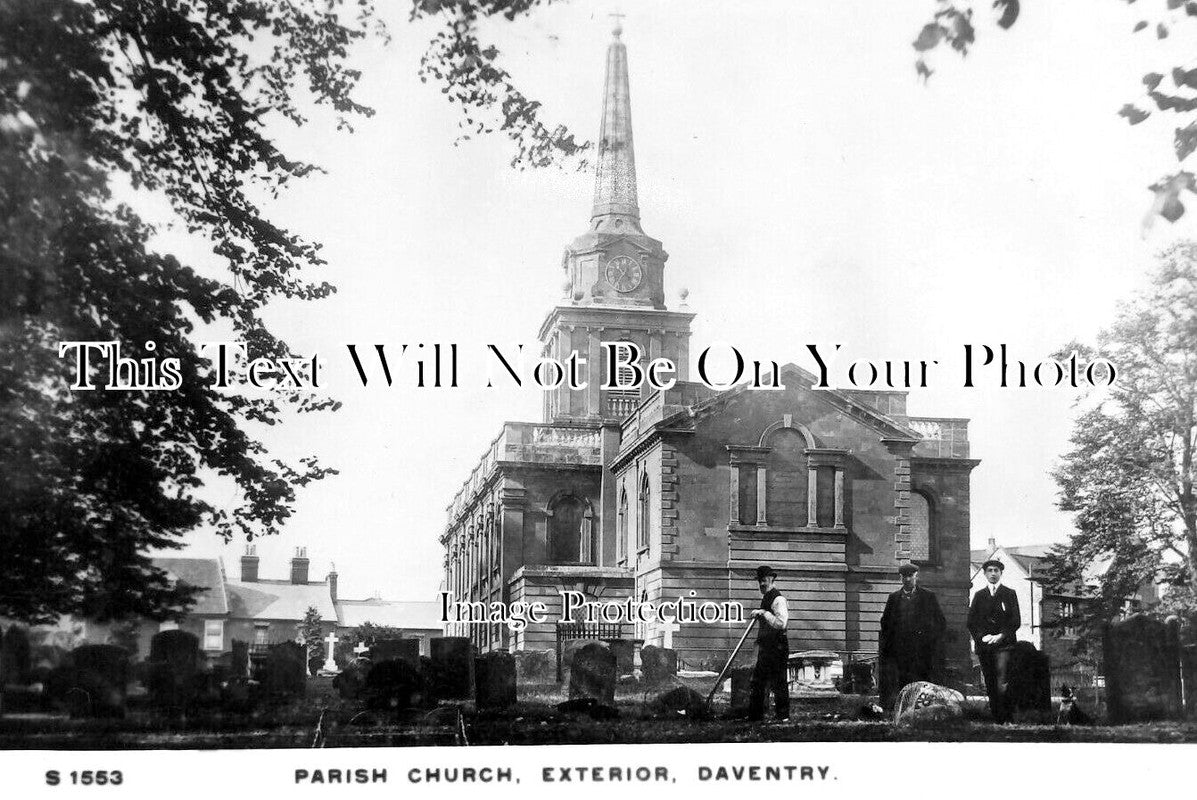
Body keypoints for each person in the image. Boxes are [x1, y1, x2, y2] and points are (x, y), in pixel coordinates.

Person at [878, 562, 946, 711]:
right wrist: (891, 644)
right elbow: (885, 623)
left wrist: (930, 641)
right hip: (901, 651)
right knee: (904, 681)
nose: (907, 579)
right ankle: (905, 710)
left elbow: (940, 622)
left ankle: (922, 711)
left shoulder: (928, 597)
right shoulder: (894, 598)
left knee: (923, 681)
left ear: (916, 576)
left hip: (922, 650)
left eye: (910, 576)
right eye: (904, 576)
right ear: (900, 578)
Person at [967, 558, 1021, 723]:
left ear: (1001, 573)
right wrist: (982, 637)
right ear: (984, 574)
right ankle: (998, 718)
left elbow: (1015, 620)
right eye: (989, 570)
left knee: (1003, 681)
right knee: (990, 682)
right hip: (985, 647)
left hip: (1004, 645)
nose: (993, 573)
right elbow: (971, 622)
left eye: (996, 571)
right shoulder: (979, 595)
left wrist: (1000, 636)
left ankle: (1008, 717)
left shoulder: (1009, 594)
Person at [747, 564, 790, 722]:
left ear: (771, 580)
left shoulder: (778, 599)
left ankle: (783, 716)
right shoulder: (766, 598)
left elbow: (781, 623)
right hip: (767, 646)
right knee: (758, 680)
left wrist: (764, 614)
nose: (761, 584)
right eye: (759, 581)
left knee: (778, 681)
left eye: (764, 580)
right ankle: (755, 716)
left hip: (777, 647)